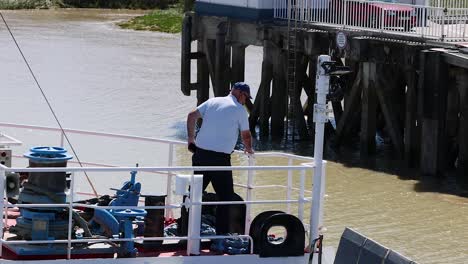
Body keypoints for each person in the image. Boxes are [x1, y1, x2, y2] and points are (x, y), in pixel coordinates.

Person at [186, 82, 254, 251]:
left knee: (193, 194)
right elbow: (246, 135)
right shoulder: (239, 110)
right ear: (238, 93)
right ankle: (220, 238)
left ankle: (184, 230)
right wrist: (249, 149)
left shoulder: (213, 101)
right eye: (245, 96)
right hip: (219, 159)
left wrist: (191, 139)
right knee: (225, 198)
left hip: (200, 155)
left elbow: (191, 115)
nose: (246, 101)